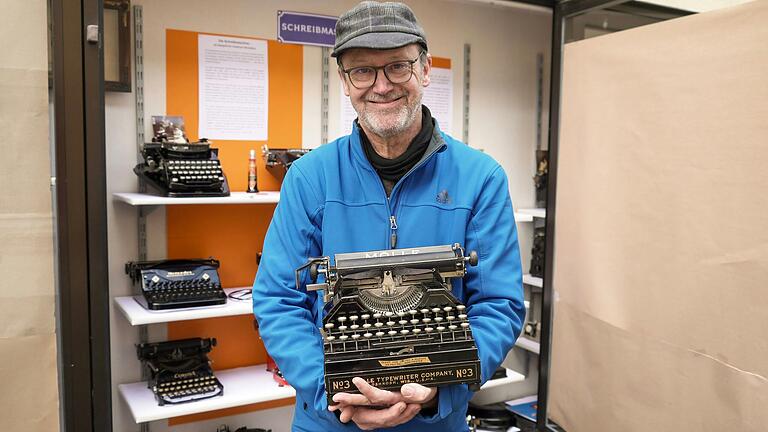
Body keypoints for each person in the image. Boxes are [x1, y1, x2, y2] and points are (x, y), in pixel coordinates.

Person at [252, 1, 525, 430]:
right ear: (345, 81)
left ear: (425, 69)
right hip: (329, 418)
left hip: (435, 419)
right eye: (362, 70)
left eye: (398, 66)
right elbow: (279, 299)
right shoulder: (308, 177)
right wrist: (332, 391)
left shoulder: (481, 178)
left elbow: (498, 305)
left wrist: (439, 388)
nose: (381, 86)